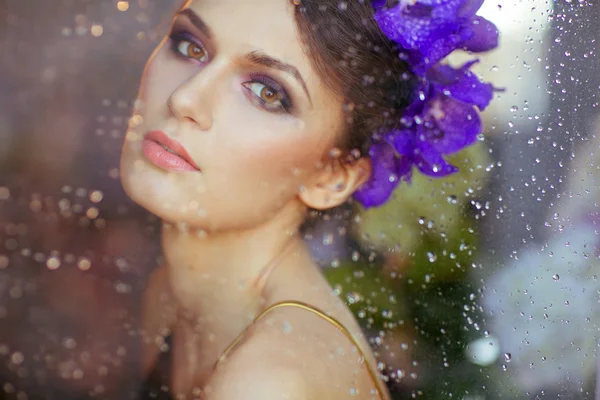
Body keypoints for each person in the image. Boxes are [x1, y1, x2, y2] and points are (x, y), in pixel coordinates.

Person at [119, 0, 498, 398]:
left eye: (267, 92)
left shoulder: (271, 381)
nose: (184, 99)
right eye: (189, 46)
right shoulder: (171, 296)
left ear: (333, 177)